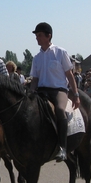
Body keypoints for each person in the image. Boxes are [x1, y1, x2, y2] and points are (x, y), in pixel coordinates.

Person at [29, 22, 79, 162]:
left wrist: (76, 94)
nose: (37, 38)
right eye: (36, 35)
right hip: (42, 90)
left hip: (59, 90)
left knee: (59, 109)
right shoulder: (37, 58)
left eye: (39, 35)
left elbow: (69, 75)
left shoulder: (60, 52)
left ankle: (62, 148)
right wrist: (31, 93)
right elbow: (35, 79)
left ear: (48, 36)